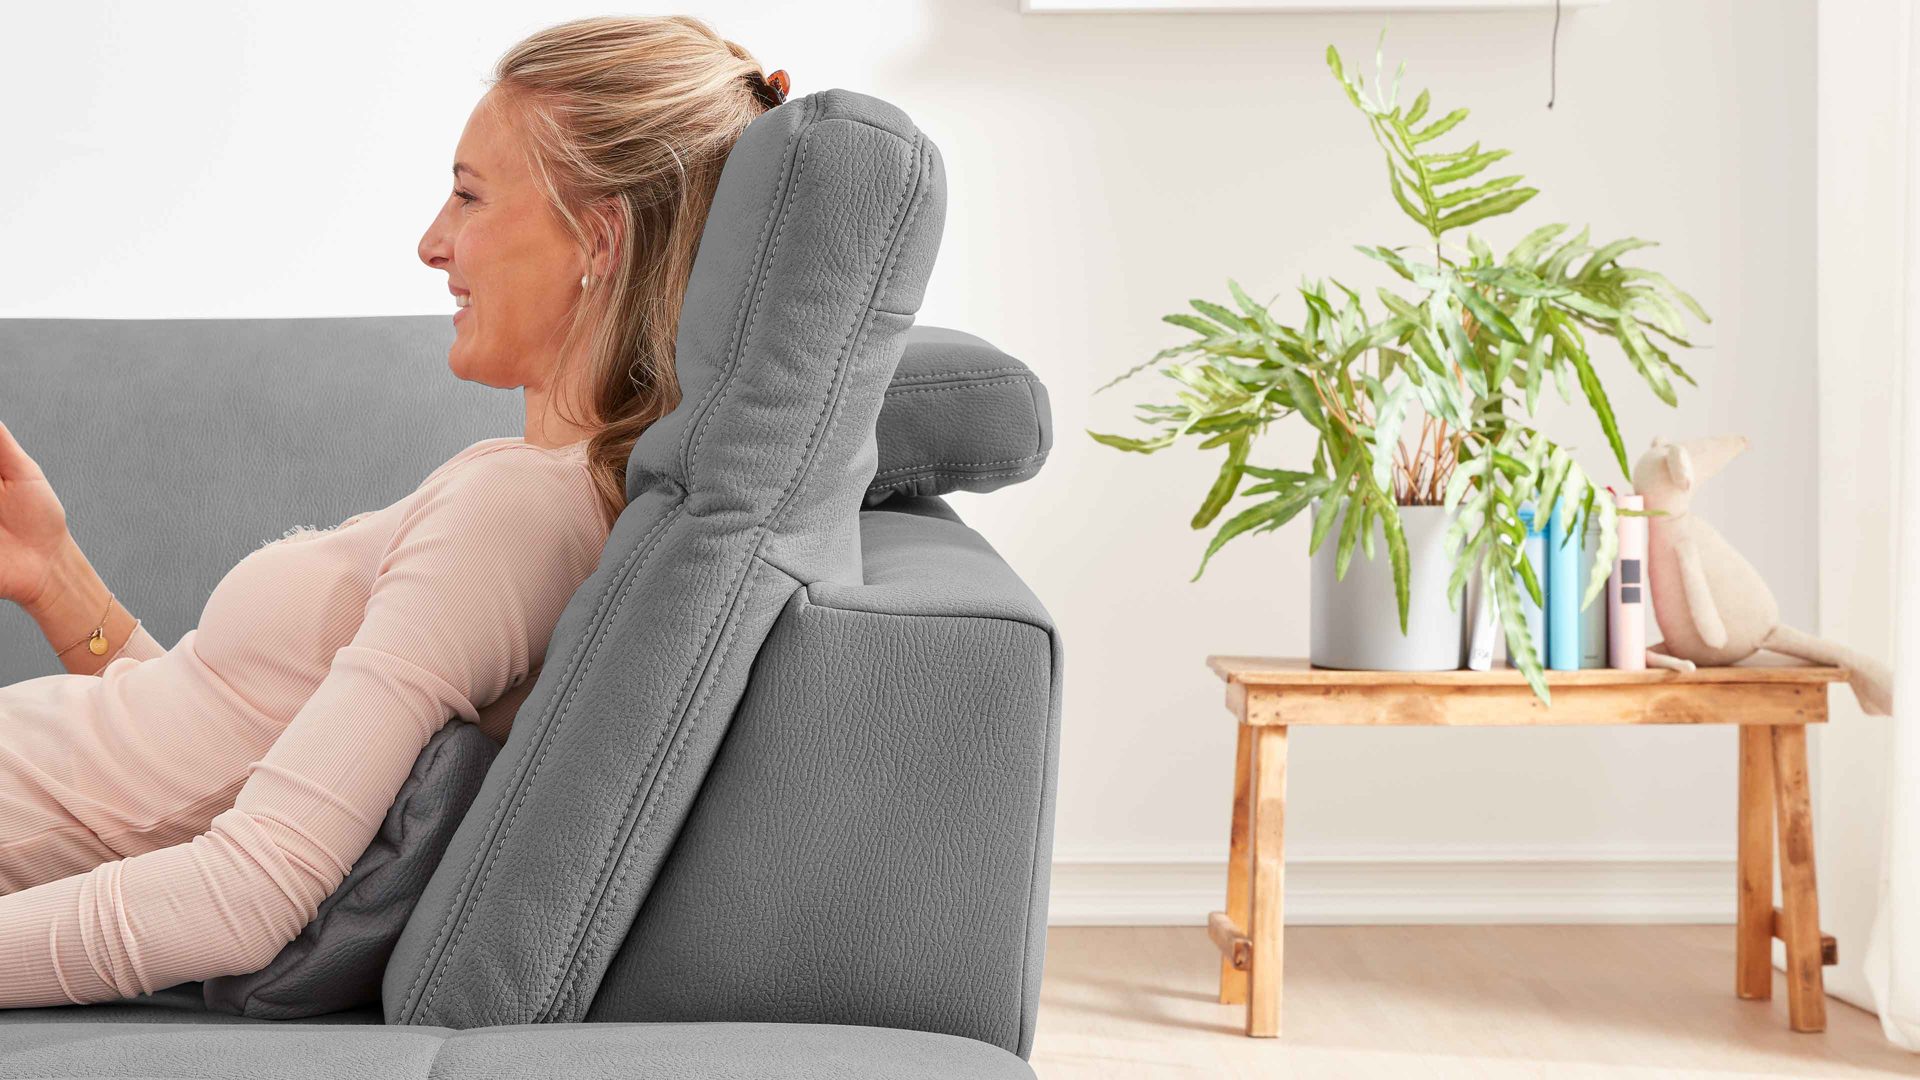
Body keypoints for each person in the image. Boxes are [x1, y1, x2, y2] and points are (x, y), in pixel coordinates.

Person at [0, 15, 790, 1008]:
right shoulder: (531, 493)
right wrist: (56, 577)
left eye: (469, 195)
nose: (431, 242)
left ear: (599, 238)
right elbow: (194, 764)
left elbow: (240, 896)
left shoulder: (515, 513)